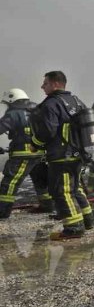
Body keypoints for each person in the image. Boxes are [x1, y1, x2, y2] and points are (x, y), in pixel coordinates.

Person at [31, 71, 94, 240]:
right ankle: (88, 220)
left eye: (45, 83)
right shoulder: (76, 101)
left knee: (62, 191)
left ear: (55, 84)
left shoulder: (51, 104)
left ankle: (74, 228)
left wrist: (35, 143)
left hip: (62, 156)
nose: (42, 86)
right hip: (78, 154)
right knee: (75, 188)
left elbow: (48, 131)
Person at [0, 88, 52, 218]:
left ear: (12, 100)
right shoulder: (38, 110)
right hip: (40, 153)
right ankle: (47, 205)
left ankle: (2, 211)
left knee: (10, 182)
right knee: (41, 181)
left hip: (22, 155)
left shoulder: (13, 113)